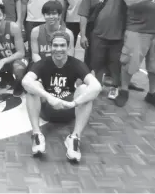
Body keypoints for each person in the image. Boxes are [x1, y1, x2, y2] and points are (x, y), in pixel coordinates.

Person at [22, 31, 101, 163]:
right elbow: (25, 82)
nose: (59, 49)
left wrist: (74, 103)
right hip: (47, 109)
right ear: (50, 46)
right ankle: (37, 134)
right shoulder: (43, 63)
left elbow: (96, 86)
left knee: (84, 89)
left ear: (68, 47)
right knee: (32, 86)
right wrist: (49, 97)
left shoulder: (76, 64)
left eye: (62, 45)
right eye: (55, 45)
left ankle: (74, 138)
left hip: (68, 109)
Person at [78, 0, 125, 99]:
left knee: (115, 63)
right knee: (96, 63)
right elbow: (83, 15)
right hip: (98, 35)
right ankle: (97, 85)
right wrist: (83, 35)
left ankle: (114, 87)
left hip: (118, 36)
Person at [109, 0, 145, 93]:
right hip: (113, 19)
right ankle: (113, 80)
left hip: (132, 21)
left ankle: (127, 81)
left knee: (130, 54)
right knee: (114, 52)